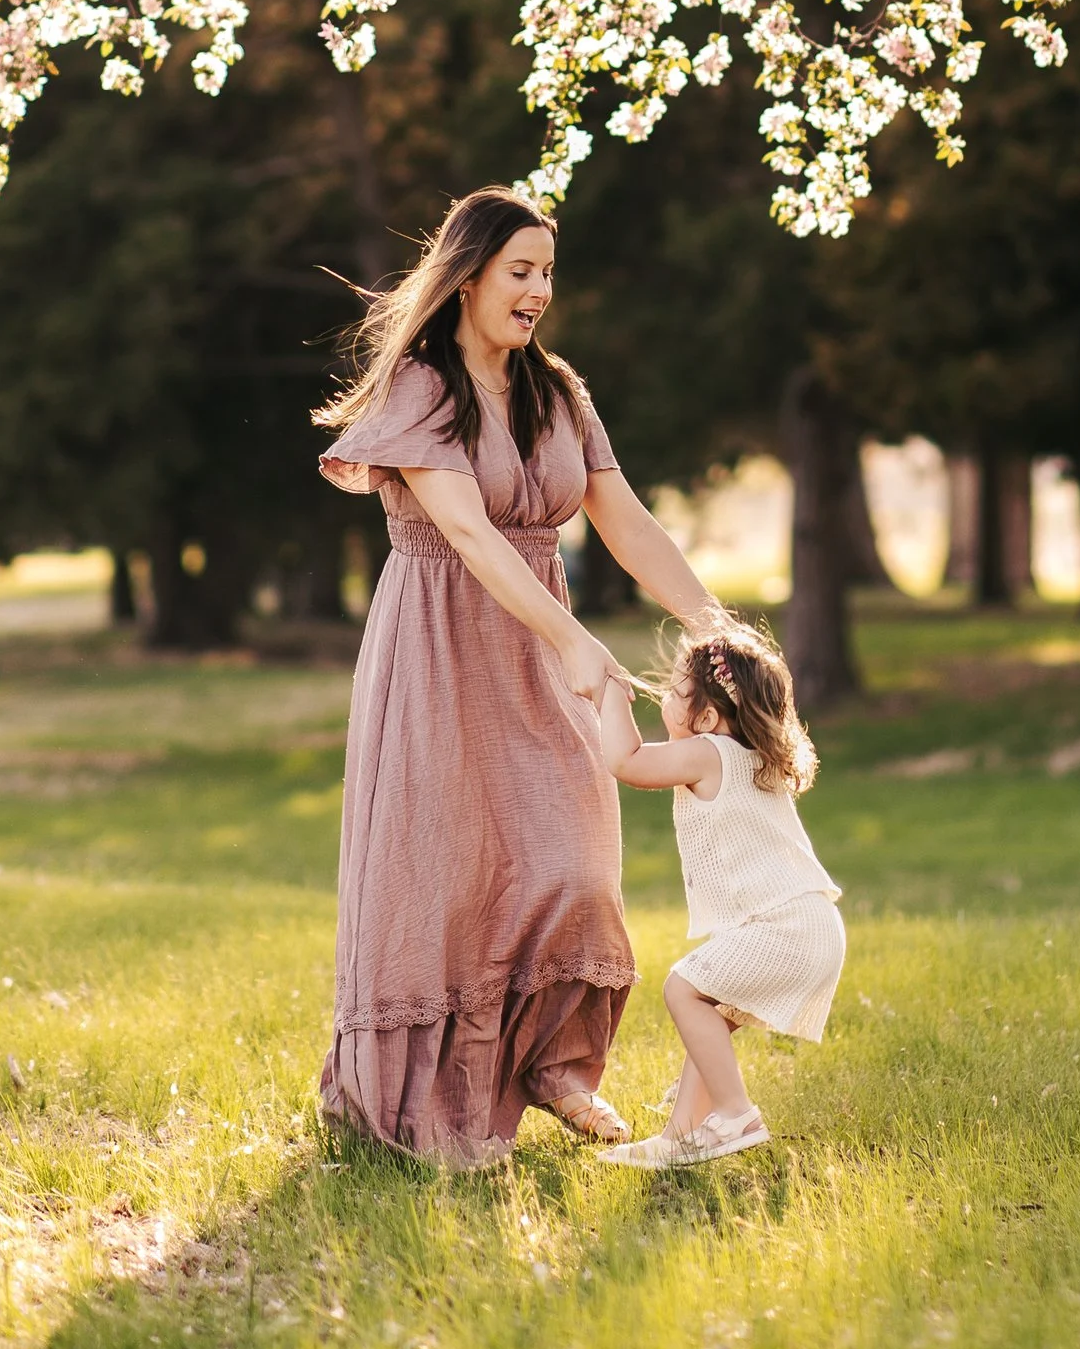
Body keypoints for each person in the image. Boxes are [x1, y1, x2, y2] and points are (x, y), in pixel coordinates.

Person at [313, 186, 724, 1167]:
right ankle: (426, 1103)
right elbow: (465, 531)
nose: (538, 289)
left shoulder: (558, 392)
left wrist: (713, 624)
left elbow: (623, 521)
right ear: (467, 278)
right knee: (449, 880)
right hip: (441, 645)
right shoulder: (420, 386)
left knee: (572, 864)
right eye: (520, 270)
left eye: (548, 273)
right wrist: (572, 638)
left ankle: (553, 1064)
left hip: (536, 648)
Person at [595, 616, 845, 1168]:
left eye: (677, 688)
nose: (665, 690)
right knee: (707, 1010)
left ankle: (736, 1113)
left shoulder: (708, 752)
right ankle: (680, 1138)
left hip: (784, 927)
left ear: (706, 717)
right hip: (809, 925)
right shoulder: (750, 757)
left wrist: (609, 693)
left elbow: (627, 762)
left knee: (684, 990)